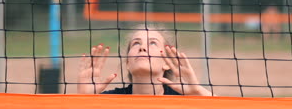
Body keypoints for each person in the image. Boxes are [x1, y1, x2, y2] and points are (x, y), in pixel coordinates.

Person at [77, 27, 213, 96]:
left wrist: (199, 92)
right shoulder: (110, 101)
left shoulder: (183, 100)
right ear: (127, 63)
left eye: (153, 43)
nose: (142, 47)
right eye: (136, 43)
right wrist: (83, 99)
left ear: (167, 62)